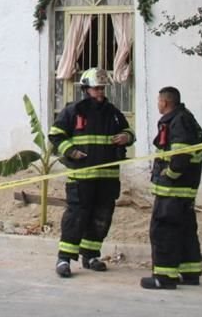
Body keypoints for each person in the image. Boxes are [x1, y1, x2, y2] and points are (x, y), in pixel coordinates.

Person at [48, 67, 135, 278]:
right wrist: (70, 151)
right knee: (76, 218)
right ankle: (64, 259)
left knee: (101, 218)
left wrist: (126, 137)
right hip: (81, 177)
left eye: (102, 88)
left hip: (107, 178)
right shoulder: (74, 111)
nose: (100, 92)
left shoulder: (112, 112)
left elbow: (129, 131)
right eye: (96, 88)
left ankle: (91, 255)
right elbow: (56, 134)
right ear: (86, 88)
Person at [141, 86, 202, 290]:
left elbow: (180, 155)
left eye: (159, 101)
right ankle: (190, 273)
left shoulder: (178, 122)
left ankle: (164, 277)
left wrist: (169, 174)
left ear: (165, 102)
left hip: (173, 190)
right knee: (185, 230)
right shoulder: (184, 118)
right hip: (183, 191)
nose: (158, 104)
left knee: (163, 231)